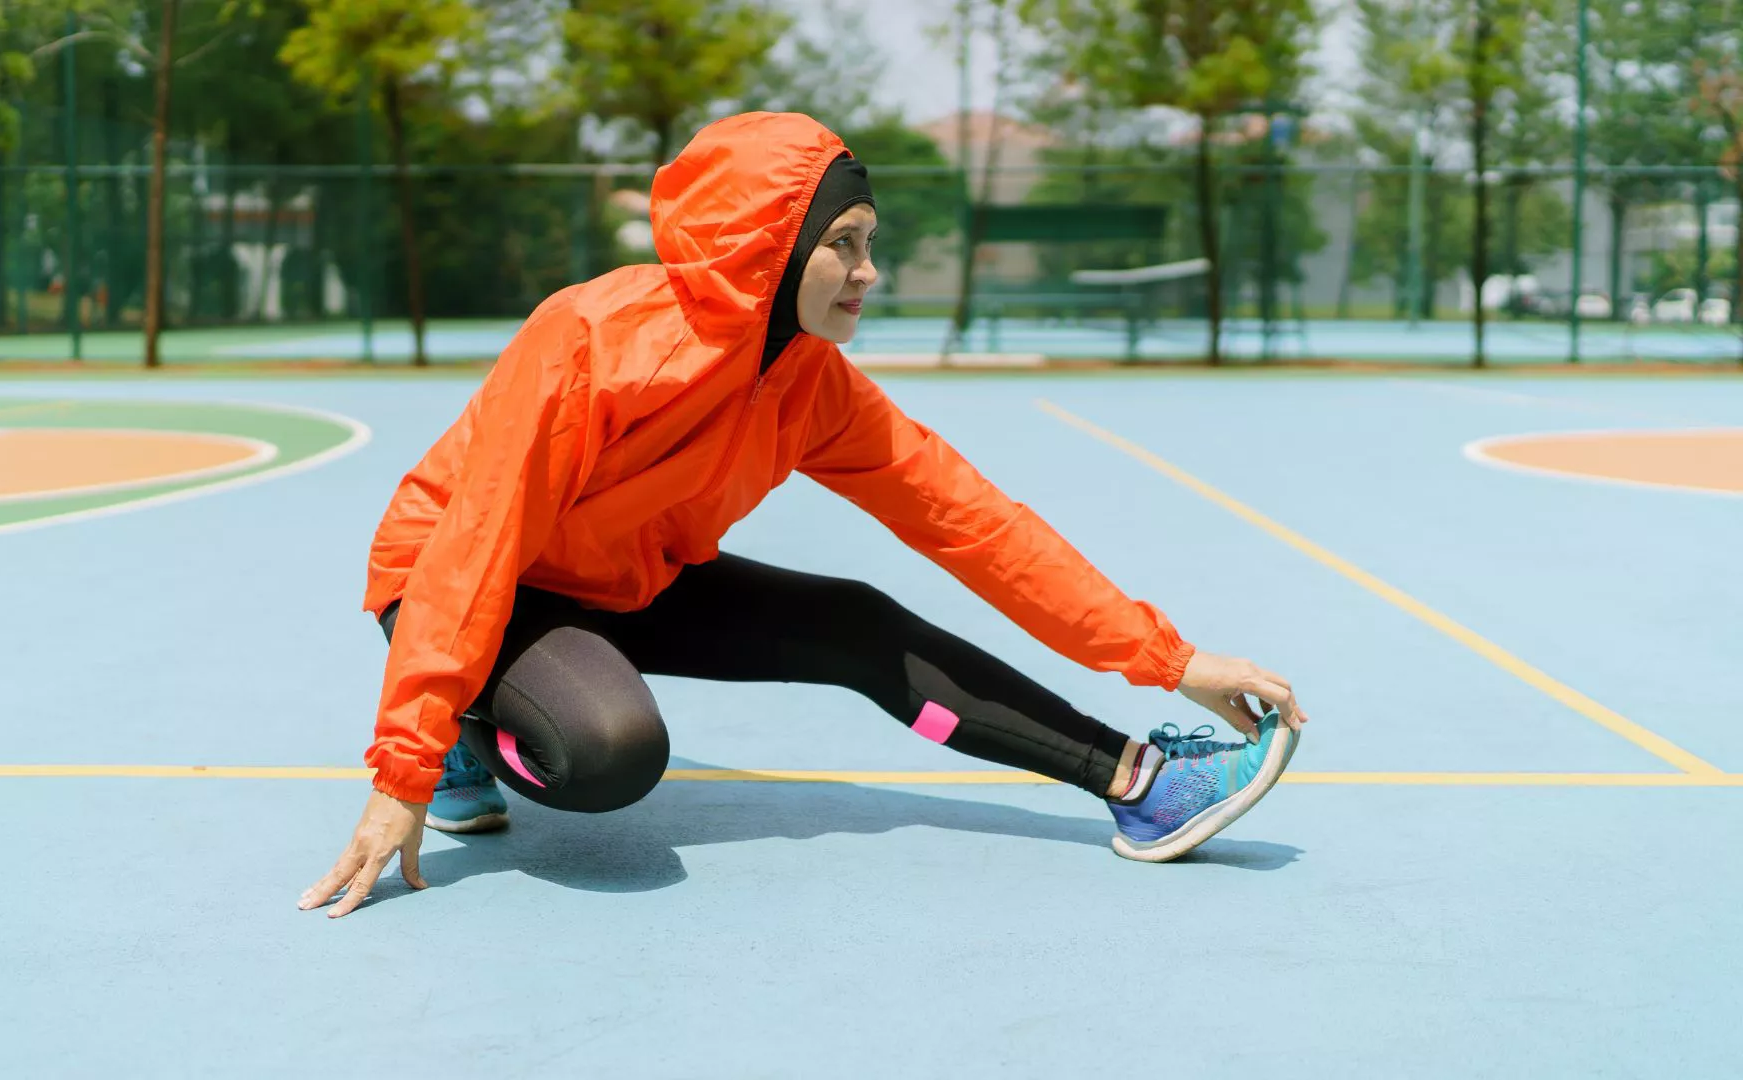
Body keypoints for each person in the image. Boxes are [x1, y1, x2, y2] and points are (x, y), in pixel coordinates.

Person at [300, 113, 1309, 918]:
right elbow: (478, 545)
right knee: (610, 752)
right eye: (844, 244)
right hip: (469, 577)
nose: (870, 272)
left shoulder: (811, 384)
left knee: (856, 622)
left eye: (871, 243)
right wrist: (403, 770)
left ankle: (1138, 784)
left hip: (626, 577)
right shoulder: (588, 338)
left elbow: (976, 525)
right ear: (767, 252)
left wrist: (1168, 659)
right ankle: (470, 735)